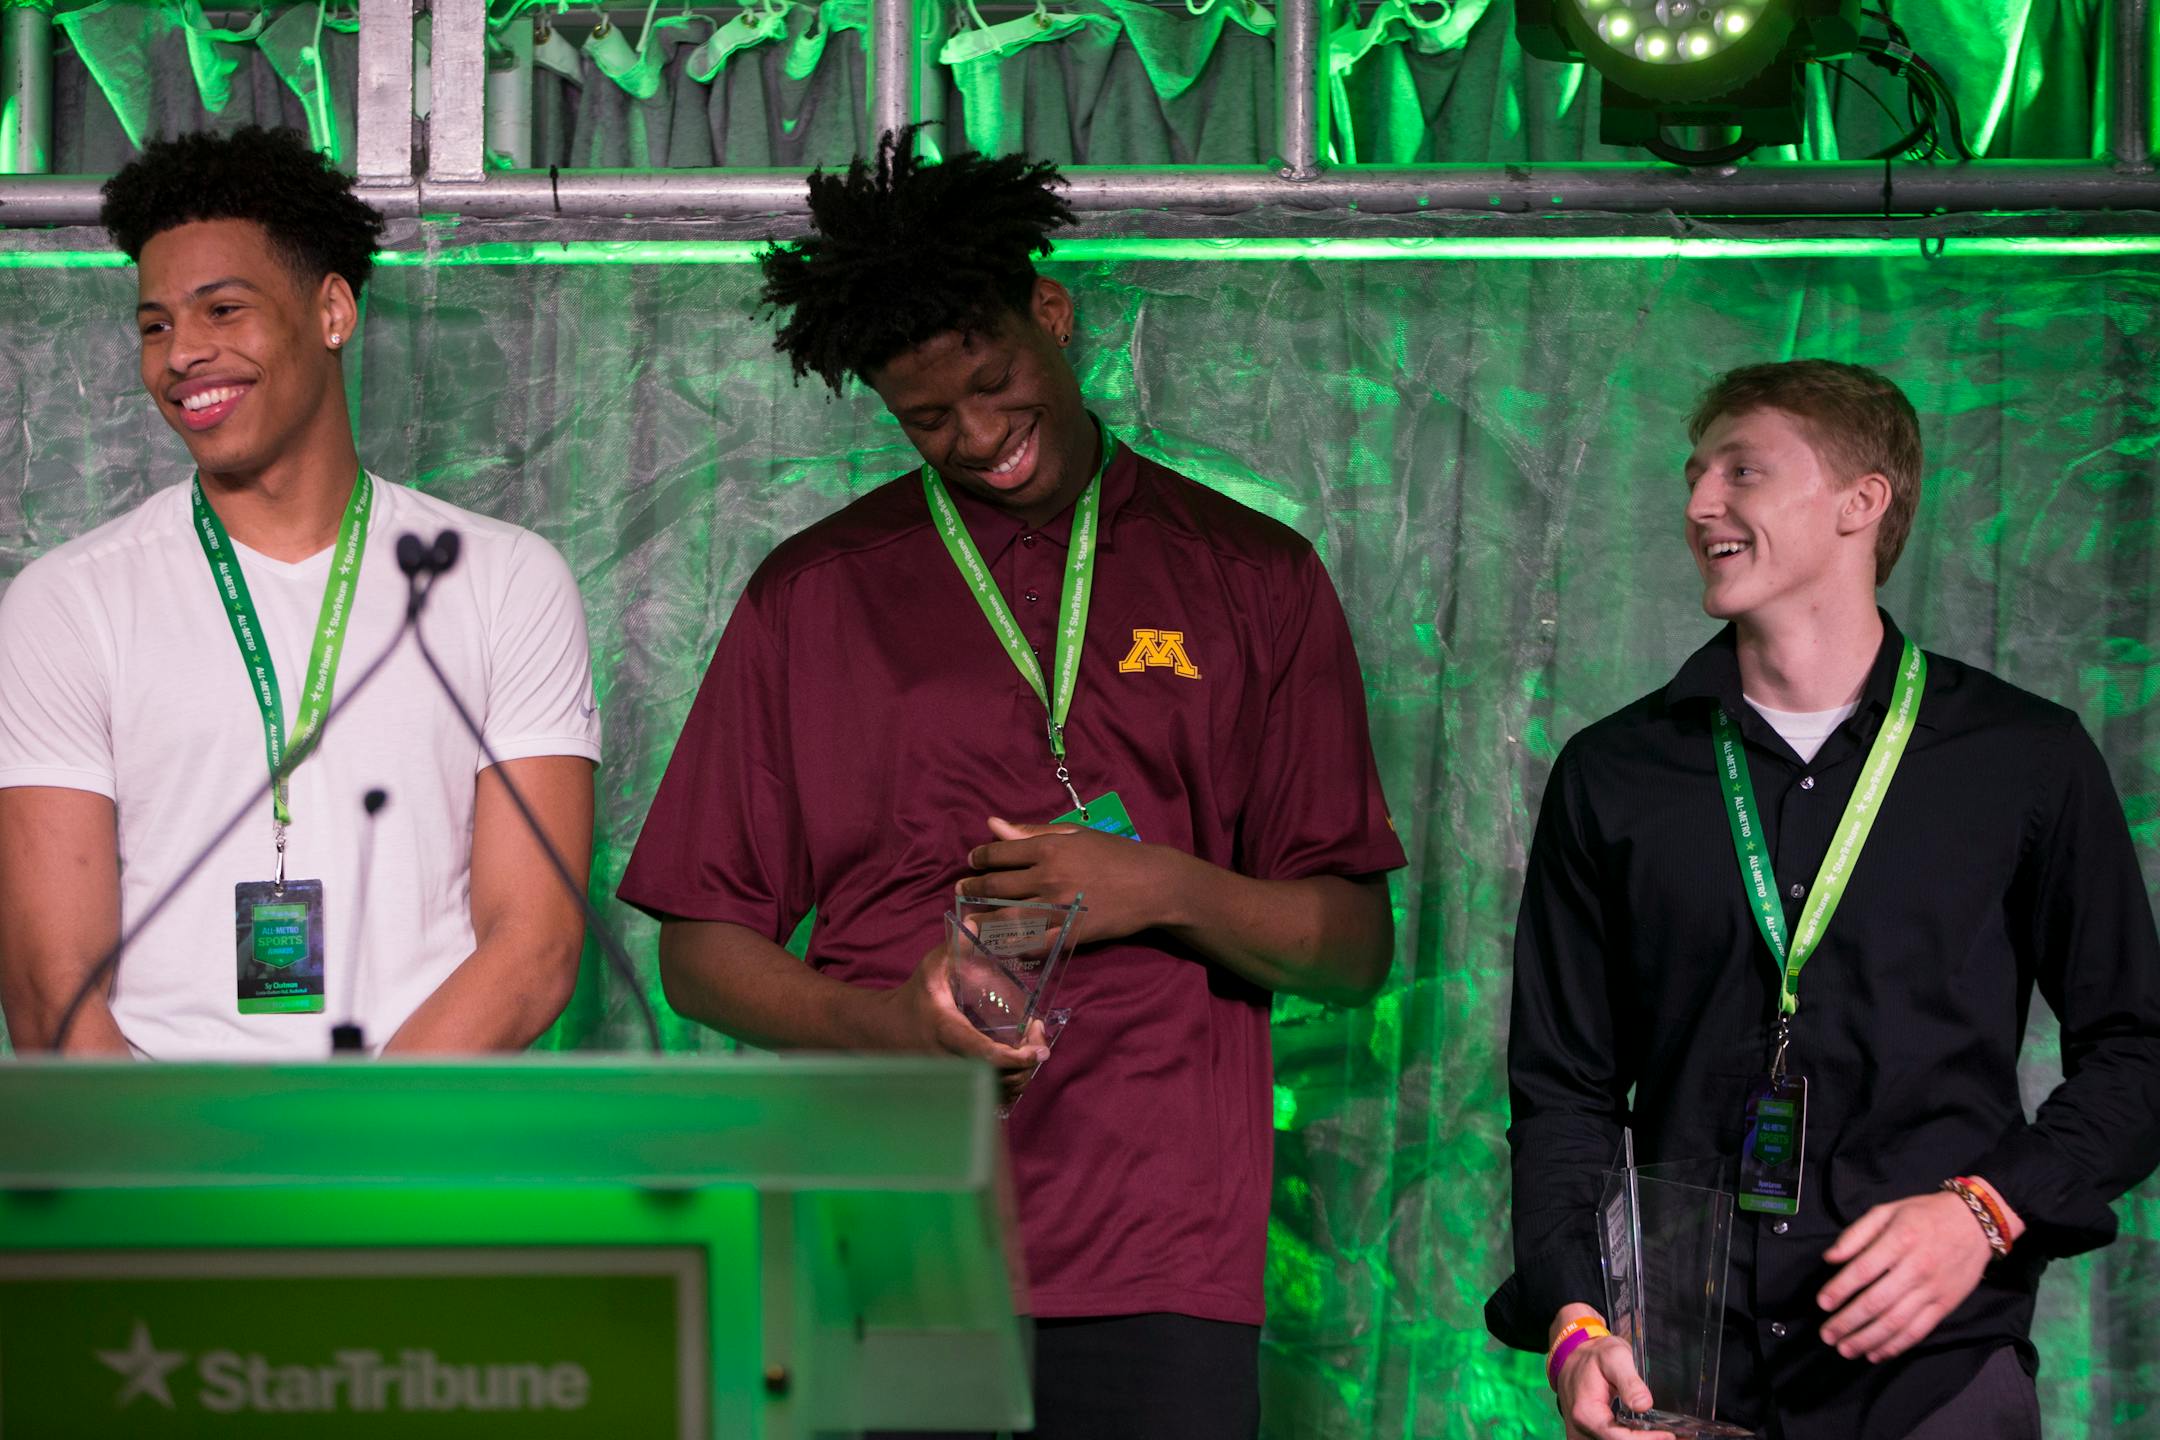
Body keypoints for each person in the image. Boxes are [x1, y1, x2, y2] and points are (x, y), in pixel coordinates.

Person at [618, 132, 1405, 1438]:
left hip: (1163, 1241)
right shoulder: (811, 596)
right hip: (895, 1228)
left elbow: (1352, 950)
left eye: (996, 385)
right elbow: (699, 954)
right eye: (928, 417)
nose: (979, 438)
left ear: (1052, 311)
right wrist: (895, 1032)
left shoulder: (1254, 572)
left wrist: (1157, 885)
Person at [1487, 358, 2160, 1439]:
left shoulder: (2025, 760)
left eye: (1742, 471)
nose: (1701, 502)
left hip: (1935, 1382)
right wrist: (1575, 1319)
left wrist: (1984, 1212)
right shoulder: (1612, 776)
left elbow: (2140, 1050)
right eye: (1694, 475)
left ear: (1864, 501)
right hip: (1682, 1387)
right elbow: (1563, 1094)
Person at [0, 127, 600, 1058]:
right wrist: (185, 1192)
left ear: (332, 311)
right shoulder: (66, 602)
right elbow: (52, 991)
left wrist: (341, 1165)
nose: (181, 355)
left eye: (223, 311)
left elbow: (536, 948)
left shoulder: (504, 579)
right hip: (165, 1170)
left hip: (408, 1155)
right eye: (154, 324)